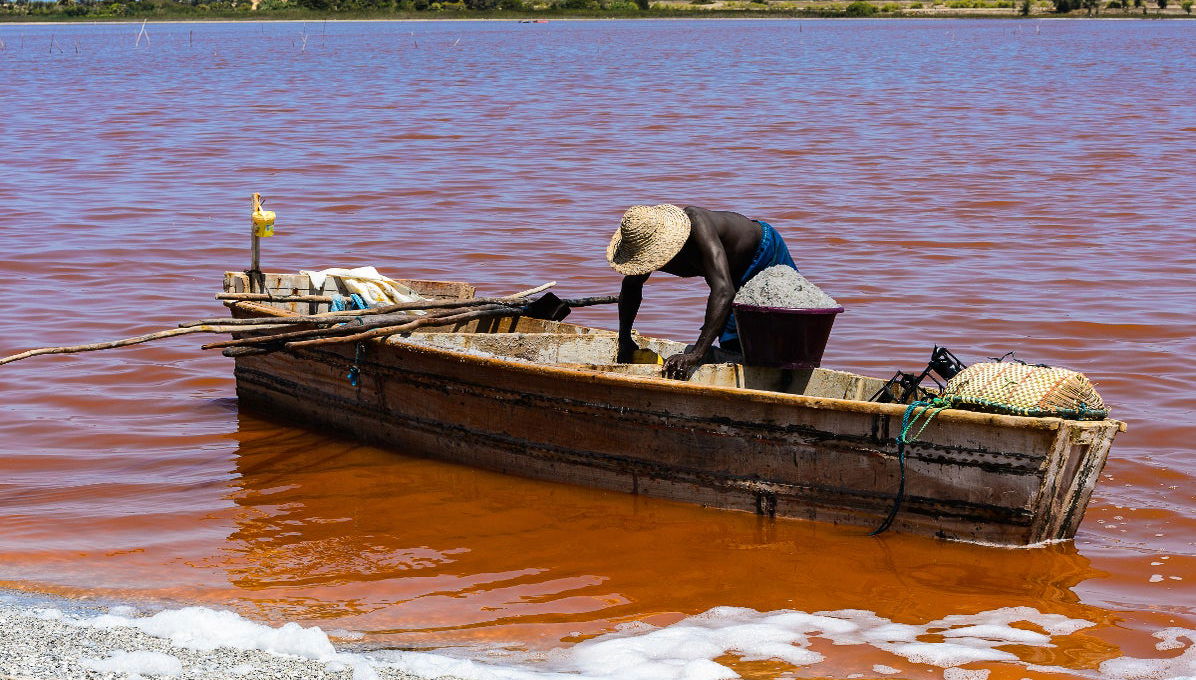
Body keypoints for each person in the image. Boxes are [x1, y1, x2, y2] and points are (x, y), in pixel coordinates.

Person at [606, 204, 798, 380]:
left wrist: (696, 354)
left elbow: (724, 291)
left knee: (781, 330)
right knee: (732, 339)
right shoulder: (645, 250)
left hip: (762, 254)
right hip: (727, 273)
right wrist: (624, 338)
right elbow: (631, 286)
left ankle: (785, 379)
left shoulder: (698, 227)